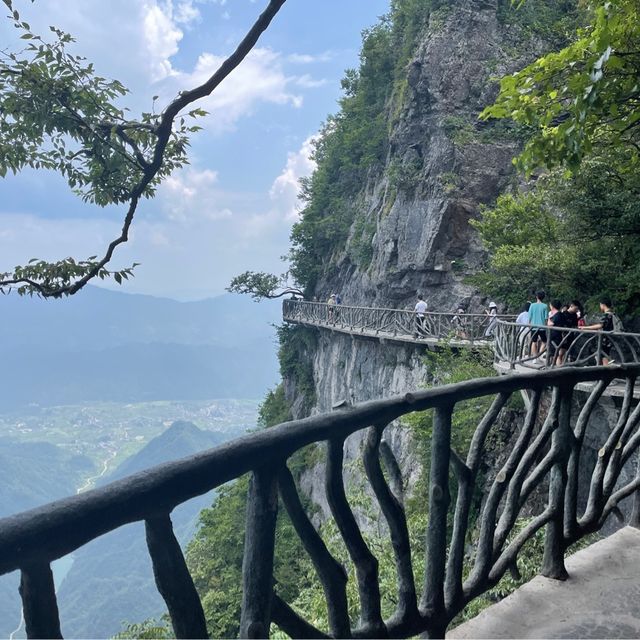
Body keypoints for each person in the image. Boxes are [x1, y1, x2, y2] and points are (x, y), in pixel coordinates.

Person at [583, 296, 622, 365]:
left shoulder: (606, 315)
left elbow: (600, 325)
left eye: (600, 305)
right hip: (609, 338)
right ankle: (606, 367)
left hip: (604, 339)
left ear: (603, 305)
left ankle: (607, 368)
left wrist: (585, 328)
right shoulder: (613, 314)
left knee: (602, 355)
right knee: (604, 354)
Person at [528, 290, 549, 360]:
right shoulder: (545, 306)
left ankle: (534, 358)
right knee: (544, 342)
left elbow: (529, 317)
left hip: (533, 327)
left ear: (536, 297)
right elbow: (546, 318)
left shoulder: (532, 305)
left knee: (534, 342)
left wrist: (529, 325)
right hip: (542, 327)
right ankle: (540, 354)